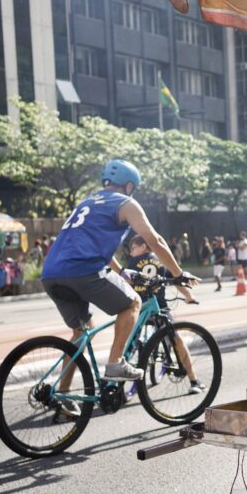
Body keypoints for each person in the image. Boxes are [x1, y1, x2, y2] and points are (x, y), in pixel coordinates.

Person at [41, 159, 196, 382]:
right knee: (132, 302)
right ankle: (115, 364)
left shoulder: (88, 201)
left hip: (51, 273)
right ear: (130, 186)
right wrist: (178, 274)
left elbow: (93, 245)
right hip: (83, 270)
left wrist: (121, 271)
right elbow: (155, 240)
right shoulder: (125, 203)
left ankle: (62, 394)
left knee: (80, 333)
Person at [124, 235, 205, 395]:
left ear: (143, 247)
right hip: (159, 308)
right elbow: (177, 280)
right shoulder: (161, 260)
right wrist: (189, 297)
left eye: (133, 248)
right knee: (176, 340)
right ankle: (194, 380)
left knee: (130, 340)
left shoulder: (132, 263)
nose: (132, 252)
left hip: (139, 309)